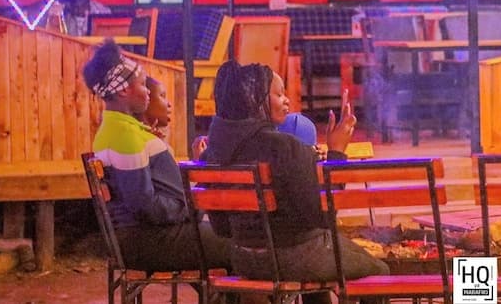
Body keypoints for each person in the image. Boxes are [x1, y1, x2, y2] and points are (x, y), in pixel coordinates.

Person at [199, 61, 389, 284]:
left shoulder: (211, 154)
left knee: (331, 250)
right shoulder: (286, 148)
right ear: (254, 100)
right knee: (379, 270)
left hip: (243, 259)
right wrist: (336, 152)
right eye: (279, 94)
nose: (287, 100)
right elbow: (323, 218)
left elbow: (222, 228)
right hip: (294, 259)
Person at [84, 40, 230, 271]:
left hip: (151, 234)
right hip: (148, 239)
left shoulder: (120, 129)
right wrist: (189, 207)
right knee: (244, 244)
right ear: (123, 90)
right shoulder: (124, 135)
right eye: (143, 85)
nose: (147, 93)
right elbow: (143, 204)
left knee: (237, 236)